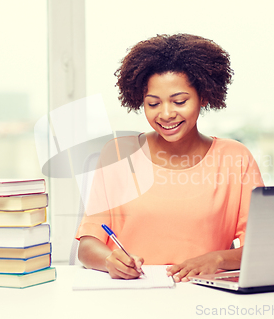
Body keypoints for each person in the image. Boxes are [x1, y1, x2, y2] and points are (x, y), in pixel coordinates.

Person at [75, 33, 263, 282]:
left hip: (206, 295)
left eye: (179, 101)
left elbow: (261, 248)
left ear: (203, 96)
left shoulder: (235, 158)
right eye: (153, 104)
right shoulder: (119, 154)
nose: (166, 114)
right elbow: (87, 248)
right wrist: (110, 261)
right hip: (132, 295)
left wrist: (218, 259)